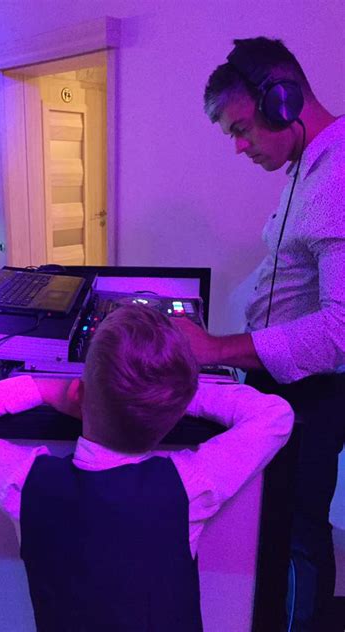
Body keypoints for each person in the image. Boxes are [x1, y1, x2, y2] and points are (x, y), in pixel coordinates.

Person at [0, 304, 293, 631]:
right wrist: (176, 396)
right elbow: (275, 415)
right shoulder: (190, 486)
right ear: (175, 411)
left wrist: (44, 388)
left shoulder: (26, 485)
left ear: (79, 394)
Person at [176, 37, 345, 631]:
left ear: (282, 100)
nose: (240, 146)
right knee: (285, 523)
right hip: (284, 381)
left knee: (295, 532)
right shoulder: (310, 169)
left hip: (314, 393)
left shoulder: (337, 180)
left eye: (242, 129)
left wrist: (218, 349)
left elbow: (340, 331)